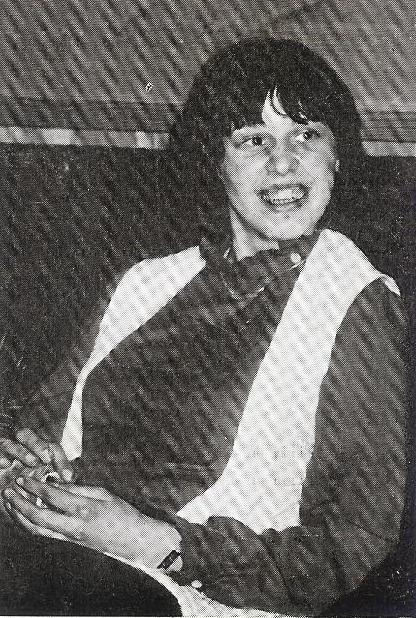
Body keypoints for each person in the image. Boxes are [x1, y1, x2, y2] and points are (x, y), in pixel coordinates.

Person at [0, 38, 410, 616]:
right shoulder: (144, 283)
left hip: (198, 596)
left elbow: (350, 546)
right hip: (62, 561)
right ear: (215, 162)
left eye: (307, 136)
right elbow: (41, 428)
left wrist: (156, 544)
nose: (284, 163)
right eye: (253, 140)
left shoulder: (355, 299)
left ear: (338, 157)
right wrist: (22, 472)